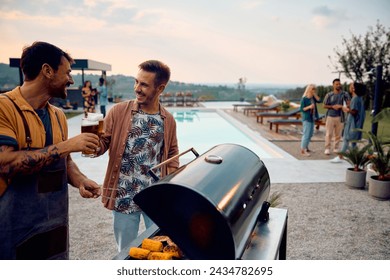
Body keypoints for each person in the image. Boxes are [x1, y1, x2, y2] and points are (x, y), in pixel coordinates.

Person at [0, 41, 101, 260]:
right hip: (13, 231)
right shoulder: (4, 107)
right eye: (67, 72)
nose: (71, 79)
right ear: (47, 71)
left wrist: (81, 180)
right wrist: (68, 145)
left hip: (55, 227)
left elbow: (66, 162)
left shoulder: (57, 115)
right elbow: (6, 163)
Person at [96, 60, 179, 252]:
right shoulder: (118, 111)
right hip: (124, 194)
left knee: (159, 246)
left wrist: (171, 178)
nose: (137, 88)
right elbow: (102, 144)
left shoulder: (168, 119)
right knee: (126, 250)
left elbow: (173, 152)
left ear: (160, 88)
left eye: (144, 84)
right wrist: (92, 145)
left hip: (155, 196)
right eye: (136, 82)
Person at [331, 82, 366, 163]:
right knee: (353, 142)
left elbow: (354, 112)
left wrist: (342, 107)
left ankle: (340, 157)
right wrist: (349, 106)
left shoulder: (355, 98)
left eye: (351, 86)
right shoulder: (359, 98)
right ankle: (356, 159)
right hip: (357, 123)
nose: (349, 87)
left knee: (346, 139)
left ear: (354, 89)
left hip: (353, 123)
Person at [323, 78, 351, 155]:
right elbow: (324, 105)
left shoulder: (344, 94)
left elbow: (349, 103)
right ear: (333, 85)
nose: (338, 85)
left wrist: (342, 106)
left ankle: (336, 148)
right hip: (330, 117)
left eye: (339, 84)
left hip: (340, 116)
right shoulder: (329, 95)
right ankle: (327, 148)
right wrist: (332, 106)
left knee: (338, 134)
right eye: (337, 84)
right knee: (329, 134)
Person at [300, 84, 320, 156]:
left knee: (310, 134)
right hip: (307, 118)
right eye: (312, 89)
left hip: (312, 118)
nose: (314, 90)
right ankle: (302, 150)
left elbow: (319, 100)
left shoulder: (313, 98)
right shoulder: (304, 99)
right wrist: (309, 107)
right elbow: (302, 109)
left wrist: (314, 94)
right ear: (308, 89)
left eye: (314, 89)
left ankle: (306, 148)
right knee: (306, 134)